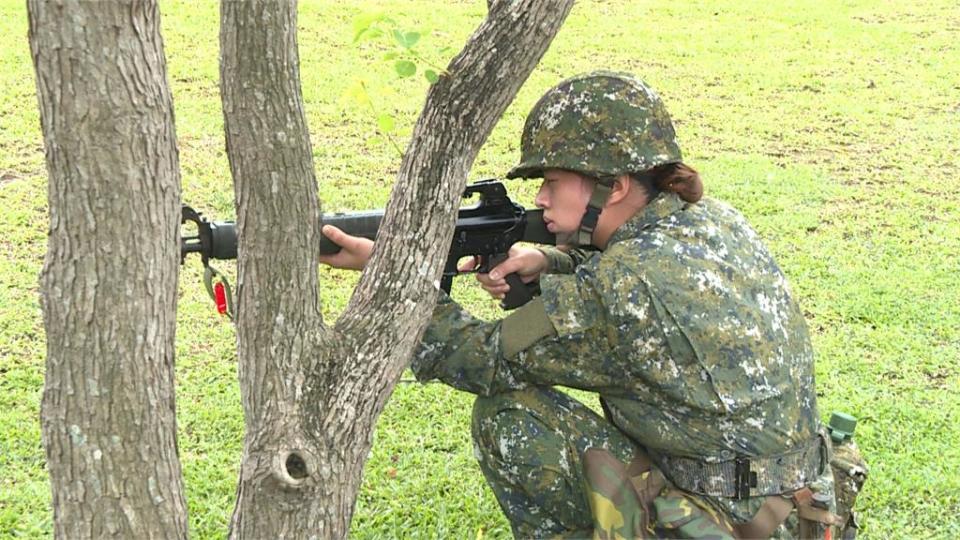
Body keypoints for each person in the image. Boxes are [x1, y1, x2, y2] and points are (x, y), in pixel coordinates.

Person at [321, 72, 840, 539]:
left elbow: (480, 358)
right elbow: (636, 275)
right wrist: (551, 261)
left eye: (551, 182)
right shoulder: (713, 221)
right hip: (806, 506)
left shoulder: (619, 291)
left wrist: (391, 273)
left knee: (510, 416)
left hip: (731, 524)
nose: (541, 199)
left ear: (613, 187)